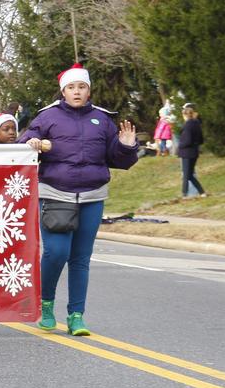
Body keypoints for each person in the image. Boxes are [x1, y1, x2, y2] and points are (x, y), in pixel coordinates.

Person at [19, 63, 139, 336]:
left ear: (88, 90)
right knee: (56, 252)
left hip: (93, 196)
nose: (77, 92)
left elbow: (117, 158)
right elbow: (25, 142)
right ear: (63, 91)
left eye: (82, 87)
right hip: (55, 193)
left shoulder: (102, 119)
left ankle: (76, 316)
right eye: (71, 87)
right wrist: (32, 143)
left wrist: (126, 146)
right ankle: (46, 304)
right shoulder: (47, 117)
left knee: (81, 258)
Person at [177, 103, 206, 198]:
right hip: (195, 152)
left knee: (186, 175)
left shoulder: (187, 125)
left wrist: (180, 146)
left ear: (185, 115)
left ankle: (184, 194)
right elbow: (201, 139)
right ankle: (202, 192)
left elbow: (187, 140)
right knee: (189, 175)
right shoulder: (197, 124)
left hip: (186, 152)